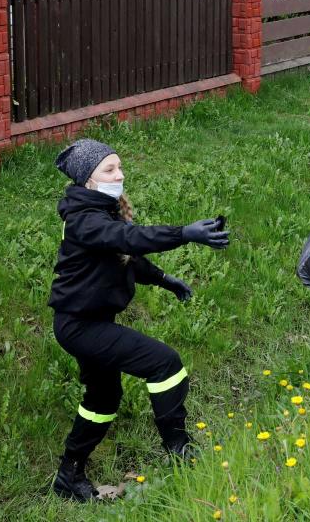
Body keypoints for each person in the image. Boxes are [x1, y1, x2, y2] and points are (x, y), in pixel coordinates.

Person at [48, 138, 229, 501]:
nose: (120, 175)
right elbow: (130, 239)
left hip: (89, 323)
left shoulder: (101, 212)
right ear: (88, 180)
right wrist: (185, 234)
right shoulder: (85, 220)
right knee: (165, 363)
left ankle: (69, 475)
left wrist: (165, 280)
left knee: (103, 398)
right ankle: (180, 452)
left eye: (119, 166)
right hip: (80, 326)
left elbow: (125, 257)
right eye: (109, 169)